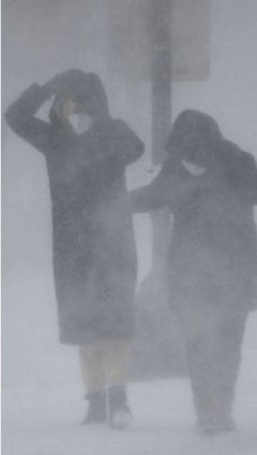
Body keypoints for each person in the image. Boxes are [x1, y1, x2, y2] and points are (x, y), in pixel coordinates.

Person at [5, 69, 144, 428]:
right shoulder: (55, 139)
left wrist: (101, 123)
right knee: (86, 330)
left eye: (81, 104)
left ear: (96, 106)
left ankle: (119, 400)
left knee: (116, 327)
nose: (73, 111)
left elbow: (136, 148)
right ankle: (96, 402)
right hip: (72, 249)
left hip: (114, 244)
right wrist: (47, 86)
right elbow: (14, 117)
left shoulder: (114, 133)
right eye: (67, 102)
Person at [131, 109, 257, 435]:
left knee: (210, 344)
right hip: (210, 273)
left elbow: (150, 197)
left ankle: (214, 411)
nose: (189, 159)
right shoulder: (233, 162)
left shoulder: (236, 164)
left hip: (221, 272)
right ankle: (214, 411)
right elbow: (152, 196)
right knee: (213, 344)